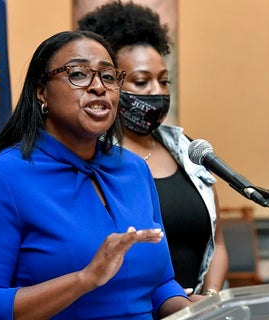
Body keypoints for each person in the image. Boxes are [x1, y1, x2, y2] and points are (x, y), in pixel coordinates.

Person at [0, 30, 192, 319]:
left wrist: (199, 311)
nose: (99, 87)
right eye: (79, 74)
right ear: (42, 91)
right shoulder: (0, 179)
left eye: (109, 76)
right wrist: (85, 279)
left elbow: (159, 285)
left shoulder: (135, 170)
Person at [78, 1, 228, 298]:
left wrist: (207, 299)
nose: (157, 92)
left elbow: (218, 243)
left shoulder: (187, 150)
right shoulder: (91, 155)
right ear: (108, 83)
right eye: (142, 81)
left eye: (163, 81)